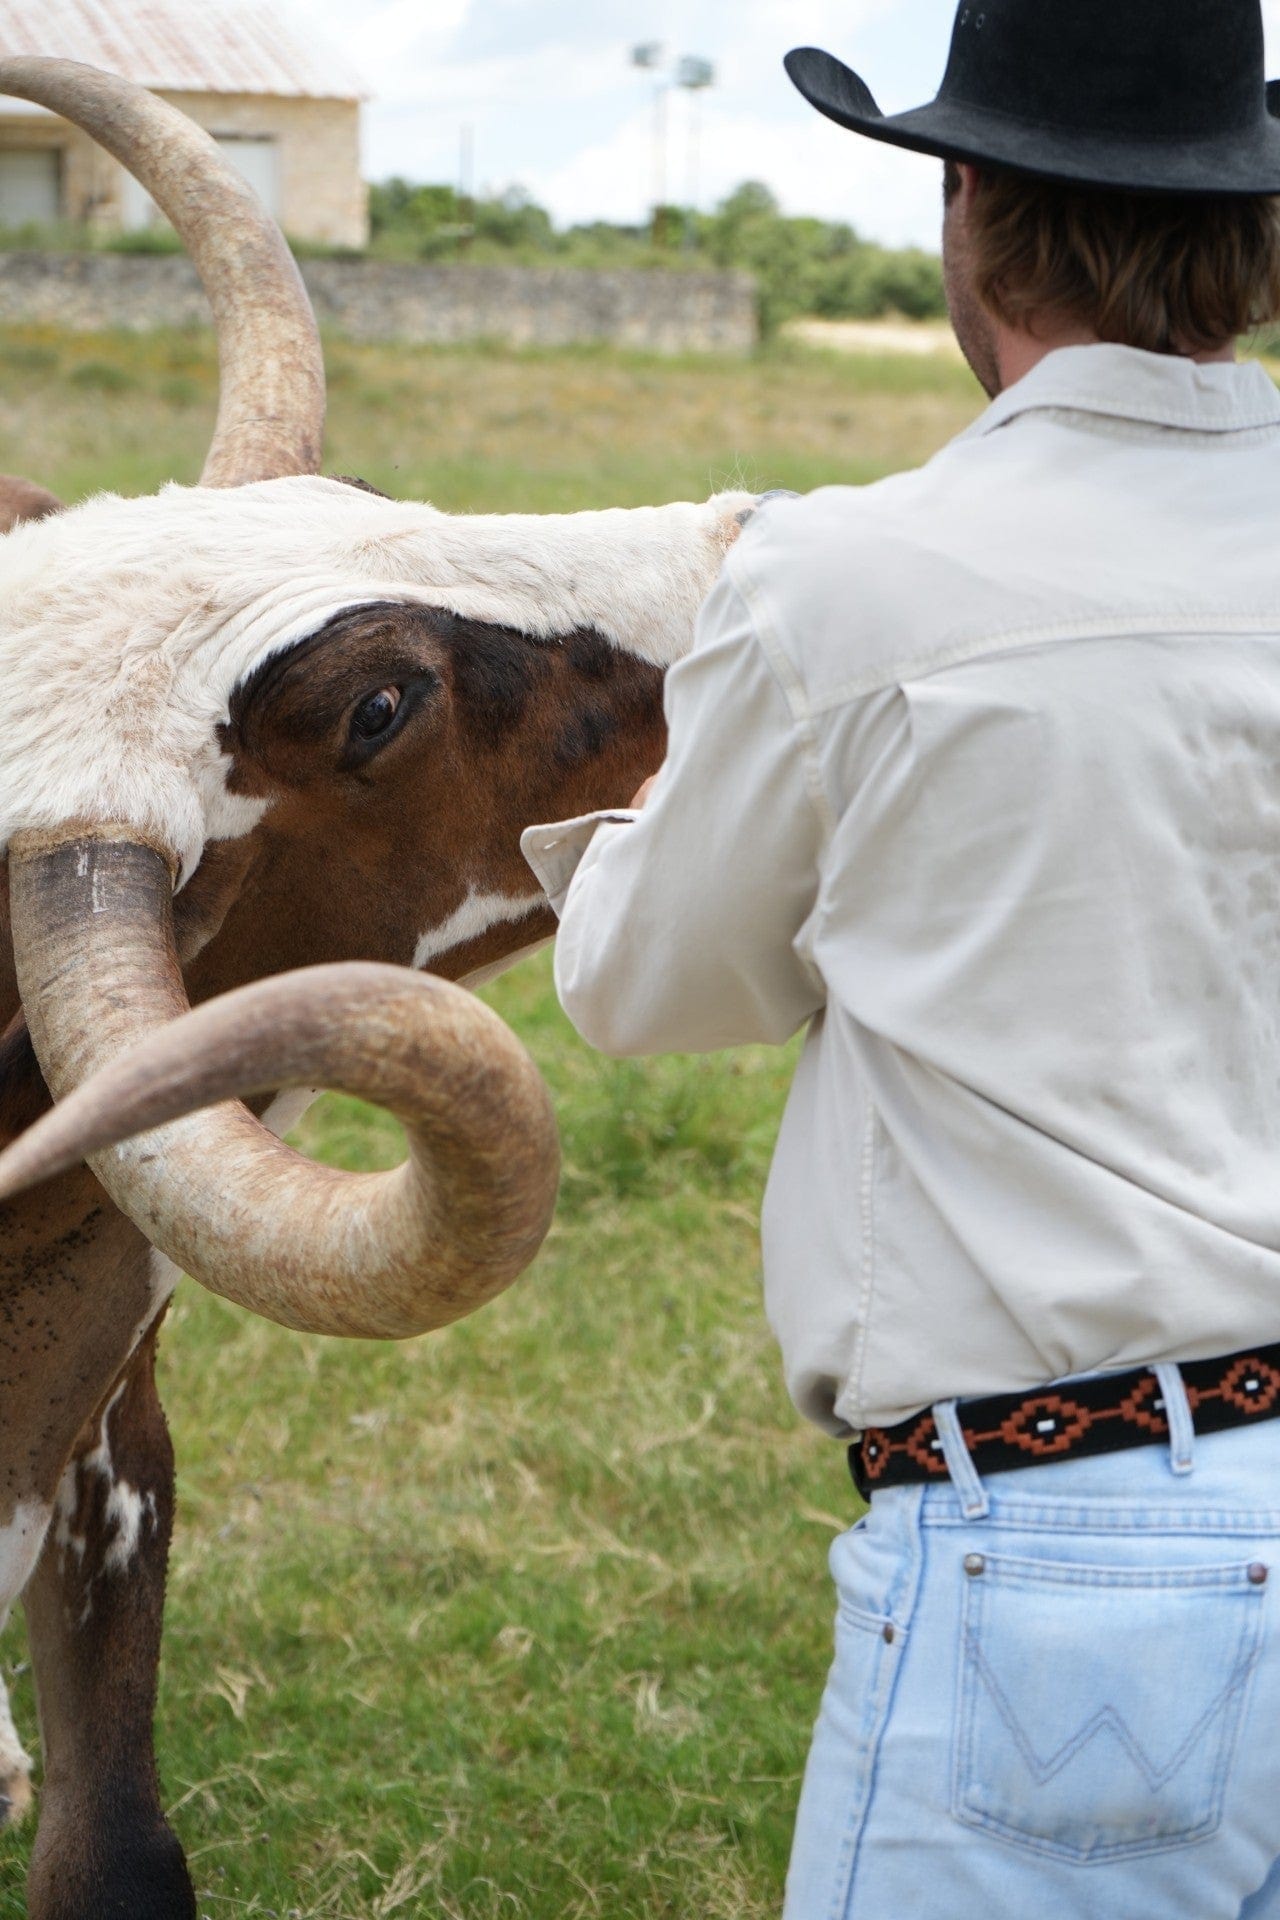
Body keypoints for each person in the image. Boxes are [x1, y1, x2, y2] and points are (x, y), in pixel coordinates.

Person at [521, 1, 1280, 1912]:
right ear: (1251, 224)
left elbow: (644, 985)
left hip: (1072, 1546)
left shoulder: (846, 580)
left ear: (969, 207)